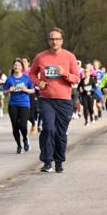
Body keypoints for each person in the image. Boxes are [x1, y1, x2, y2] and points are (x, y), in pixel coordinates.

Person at [29, 27, 80, 173]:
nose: (54, 41)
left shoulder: (69, 57)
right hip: (46, 99)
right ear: (48, 41)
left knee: (60, 132)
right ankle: (47, 161)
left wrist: (64, 73)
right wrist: (38, 83)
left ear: (62, 41)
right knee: (49, 128)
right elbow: (32, 74)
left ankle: (59, 161)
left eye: (57, 39)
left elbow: (76, 78)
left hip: (64, 100)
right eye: (51, 39)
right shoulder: (40, 57)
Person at [2, 59, 35, 153]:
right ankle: (19, 145)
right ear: (13, 67)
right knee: (15, 126)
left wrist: (26, 90)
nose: (17, 67)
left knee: (23, 125)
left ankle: (25, 139)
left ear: (22, 67)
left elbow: (32, 90)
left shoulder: (26, 78)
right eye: (15, 65)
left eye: (19, 65)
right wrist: (9, 90)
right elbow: (4, 93)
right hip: (13, 104)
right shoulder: (9, 79)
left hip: (24, 104)